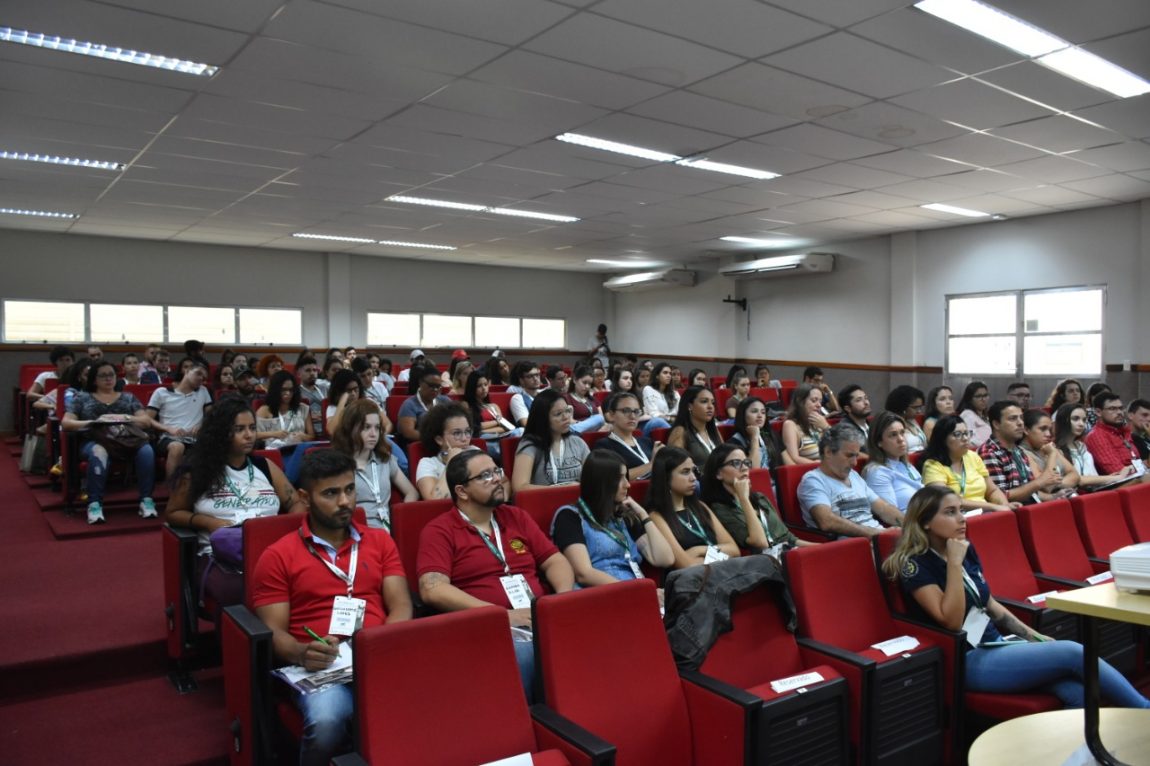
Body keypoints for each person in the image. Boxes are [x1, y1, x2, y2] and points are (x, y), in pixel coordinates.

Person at [883, 485, 1150, 710]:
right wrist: (953, 564)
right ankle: (1144, 710)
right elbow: (951, 622)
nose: (962, 519)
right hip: (966, 659)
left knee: (1076, 692)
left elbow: (989, 604)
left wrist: (1034, 636)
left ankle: (1086, 749)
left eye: (961, 510)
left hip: (996, 644)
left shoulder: (964, 548)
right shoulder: (914, 564)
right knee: (1073, 652)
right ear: (926, 521)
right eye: (950, 512)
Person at [253, 449, 413, 766]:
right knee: (327, 720)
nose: (345, 501)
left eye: (350, 489)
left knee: (438, 697)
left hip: (378, 654)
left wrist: (383, 645)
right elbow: (272, 630)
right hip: (319, 666)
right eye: (331, 493)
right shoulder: (277, 555)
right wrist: (301, 652)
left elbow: (401, 604)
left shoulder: (380, 540)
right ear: (305, 498)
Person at [417, 450, 575, 700]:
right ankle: (533, 717)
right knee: (526, 654)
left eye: (496, 471)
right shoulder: (440, 530)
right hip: (485, 625)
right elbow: (432, 588)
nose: (498, 479)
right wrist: (500, 615)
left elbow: (555, 561)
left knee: (586, 631)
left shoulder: (515, 516)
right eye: (485, 475)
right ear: (462, 491)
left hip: (537, 613)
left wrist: (561, 600)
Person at [165, 397, 300, 610]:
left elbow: (295, 503)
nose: (249, 435)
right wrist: (208, 523)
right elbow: (173, 513)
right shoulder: (198, 470)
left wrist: (287, 530)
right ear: (221, 432)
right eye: (239, 429)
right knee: (239, 589)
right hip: (221, 554)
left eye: (252, 428)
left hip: (270, 549)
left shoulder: (264, 466)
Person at [551, 450, 673, 587]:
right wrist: (637, 592)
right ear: (601, 482)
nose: (628, 484)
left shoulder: (624, 516)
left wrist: (643, 515)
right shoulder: (569, 516)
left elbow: (665, 559)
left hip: (635, 587)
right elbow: (583, 573)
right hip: (601, 593)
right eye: (620, 478)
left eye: (626, 477)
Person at [62, 360, 157, 524]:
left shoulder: (128, 397)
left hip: (126, 440)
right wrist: (95, 422)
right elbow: (66, 423)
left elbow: (146, 421)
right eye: (103, 376)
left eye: (111, 375)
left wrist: (123, 417)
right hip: (94, 441)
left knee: (146, 451)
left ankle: (146, 499)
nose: (108, 379)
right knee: (99, 451)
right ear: (94, 379)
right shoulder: (82, 398)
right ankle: (94, 503)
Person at [701, 443, 814, 557]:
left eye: (746, 462)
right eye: (736, 463)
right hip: (763, 562)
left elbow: (789, 538)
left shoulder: (760, 498)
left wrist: (820, 547)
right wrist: (744, 499)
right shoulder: (719, 509)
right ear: (718, 473)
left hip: (788, 554)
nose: (745, 468)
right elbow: (760, 542)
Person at [797, 423, 904, 538]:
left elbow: (883, 509)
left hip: (879, 538)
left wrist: (911, 525)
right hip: (852, 545)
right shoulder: (813, 480)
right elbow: (827, 521)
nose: (855, 463)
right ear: (828, 452)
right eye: (849, 455)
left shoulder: (853, 475)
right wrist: (878, 534)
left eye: (856, 456)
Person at [646, 447, 740, 569]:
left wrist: (699, 550)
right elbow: (686, 564)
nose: (693, 478)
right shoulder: (657, 516)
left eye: (693, 471)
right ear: (666, 478)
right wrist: (722, 555)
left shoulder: (700, 506)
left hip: (720, 572)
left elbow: (734, 550)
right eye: (685, 472)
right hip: (693, 578)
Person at [331, 399, 418, 530]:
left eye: (377, 428)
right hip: (356, 531)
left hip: (389, 529)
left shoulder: (385, 459)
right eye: (366, 427)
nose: (373, 434)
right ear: (350, 429)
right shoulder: (338, 466)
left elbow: (411, 492)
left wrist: (400, 516)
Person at [921, 415, 1015, 513]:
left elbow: (992, 491)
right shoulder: (932, 465)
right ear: (943, 439)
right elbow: (946, 500)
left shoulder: (972, 456)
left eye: (966, 433)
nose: (965, 438)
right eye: (957, 434)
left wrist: (1005, 506)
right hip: (956, 516)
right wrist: (992, 507)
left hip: (985, 512)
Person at [977, 401, 1063, 505]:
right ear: (996, 424)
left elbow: (1029, 491)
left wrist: (1054, 496)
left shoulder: (1018, 450)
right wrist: (1039, 482)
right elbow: (1000, 496)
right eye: (1013, 418)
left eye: (1021, 418)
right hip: (1012, 511)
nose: (1020, 423)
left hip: (1028, 507)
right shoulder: (989, 452)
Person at [511, 389, 590, 496]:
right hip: (543, 503)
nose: (566, 417)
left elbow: (592, 479)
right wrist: (563, 489)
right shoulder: (530, 444)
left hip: (577, 503)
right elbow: (519, 487)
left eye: (567, 411)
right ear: (543, 418)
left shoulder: (578, 442)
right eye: (558, 414)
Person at [1054, 403, 1137, 489]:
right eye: (1075, 419)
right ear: (1063, 421)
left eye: (1084, 420)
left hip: (1094, 490)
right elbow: (1078, 480)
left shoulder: (1080, 445)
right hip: (1075, 494)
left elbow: (1091, 475)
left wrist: (1111, 477)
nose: (1081, 424)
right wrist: (1116, 477)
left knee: (1139, 480)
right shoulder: (1055, 449)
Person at [147, 359, 212, 467]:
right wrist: (168, 428)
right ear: (187, 371)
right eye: (198, 373)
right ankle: (172, 479)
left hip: (194, 439)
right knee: (177, 447)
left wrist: (202, 426)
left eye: (204, 378)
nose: (201, 378)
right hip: (168, 438)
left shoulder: (203, 391)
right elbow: (147, 419)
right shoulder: (161, 392)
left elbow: (211, 416)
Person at [416, 402, 483, 500]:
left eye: (467, 431)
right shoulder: (428, 464)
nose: (464, 438)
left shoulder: (475, 452)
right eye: (457, 433)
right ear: (439, 439)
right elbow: (434, 500)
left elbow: (501, 484)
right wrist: (451, 462)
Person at [862, 411, 924, 513]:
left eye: (902, 433)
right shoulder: (877, 473)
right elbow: (892, 515)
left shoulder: (905, 464)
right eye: (893, 435)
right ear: (879, 442)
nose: (901, 439)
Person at [1019, 409, 1080, 501]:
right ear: (1026, 430)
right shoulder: (1022, 453)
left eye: (1049, 429)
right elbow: (1047, 487)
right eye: (1043, 429)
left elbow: (1075, 476)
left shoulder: (1049, 447)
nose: (1048, 434)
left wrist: (1057, 485)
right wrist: (1052, 454)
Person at [598, 391, 659, 481]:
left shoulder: (647, 442)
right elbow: (614, 477)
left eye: (636, 411)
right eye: (626, 411)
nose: (633, 416)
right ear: (611, 415)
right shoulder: (604, 446)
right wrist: (652, 464)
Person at [1085, 391, 1147, 477]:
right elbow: (1118, 472)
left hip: (1139, 478)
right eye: (1112, 409)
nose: (1119, 412)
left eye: (1121, 408)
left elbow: (1143, 464)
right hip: (1123, 482)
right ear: (1098, 412)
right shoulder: (1096, 436)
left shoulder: (1124, 431)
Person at [463, 368, 521, 454]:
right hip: (483, 440)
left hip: (500, 437)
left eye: (485, 385)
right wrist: (497, 422)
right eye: (479, 386)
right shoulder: (466, 405)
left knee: (520, 431)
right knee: (500, 448)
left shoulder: (494, 406)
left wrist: (483, 429)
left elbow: (504, 427)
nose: (484, 388)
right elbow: (473, 427)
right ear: (472, 387)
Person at [255, 370, 315, 450]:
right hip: (273, 452)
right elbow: (253, 435)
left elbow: (311, 436)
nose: (288, 393)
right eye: (283, 390)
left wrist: (302, 436)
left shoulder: (302, 408)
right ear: (275, 390)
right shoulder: (264, 410)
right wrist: (274, 434)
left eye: (291, 390)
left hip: (298, 450)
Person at [666, 385, 721, 467]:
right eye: (704, 401)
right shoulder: (680, 431)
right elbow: (676, 467)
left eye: (713, 403)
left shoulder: (713, 430)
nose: (710, 406)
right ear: (689, 406)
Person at [396, 364, 451, 444]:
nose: (435, 389)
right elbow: (409, 433)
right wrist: (436, 439)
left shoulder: (445, 401)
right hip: (421, 444)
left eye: (438, 386)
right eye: (431, 386)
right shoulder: (409, 404)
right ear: (421, 382)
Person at [729, 396, 782, 471]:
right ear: (742, 415)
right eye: (754, 411)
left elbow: (787, 463)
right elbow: (753, 471)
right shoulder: (734, 442)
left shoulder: (771, 435)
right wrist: (754, 437)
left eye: (763, 412)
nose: (760, 416)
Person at [781, 383, 829, 465]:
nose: (819, 405)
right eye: (814, 400)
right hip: (812, 470)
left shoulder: (820, 422)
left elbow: (839, 449)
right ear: (800, 402)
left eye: (820, 401)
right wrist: (818, 465)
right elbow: (794, 458)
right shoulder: (790, 425)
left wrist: (827, 428)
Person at [564, 364, 606, 433]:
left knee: (600, 419)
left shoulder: (593, 399)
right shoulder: (566, 399)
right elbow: (570, 421)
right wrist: (587, 425)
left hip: (594, 433)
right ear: (575, 380)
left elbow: (602, 420)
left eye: (589, 384)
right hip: (577, 432)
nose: (587, 386)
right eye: (584, 382)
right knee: (598, 418)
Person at [885, 385, 927, 454]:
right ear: (902, 406)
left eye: (920, 407)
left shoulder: (912, 420)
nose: (919, 411)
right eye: (915, 408)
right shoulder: (890, 424)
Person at [642, 363, 681, 435]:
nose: (669, 375)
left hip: (672, 423)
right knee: (658, 421)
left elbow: (679, 412)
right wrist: (670, 418)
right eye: (665, 373)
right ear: (657, 376)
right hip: (654, 423)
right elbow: (653, 414)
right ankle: (675, 436)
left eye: (670, 373)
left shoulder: (675, 393)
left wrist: (669, 417)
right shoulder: (648, 389)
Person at [323, 369, 362, 436]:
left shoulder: (367, 402)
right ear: (339, 392)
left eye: (356, 389)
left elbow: (383, 423)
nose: (353, 394)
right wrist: (342, 400)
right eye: (349, 390)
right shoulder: (333, 408)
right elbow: (332, 430)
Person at [957, 381, 993, 448]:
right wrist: (988, 446)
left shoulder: (984, 415)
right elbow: (968, 440)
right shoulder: (968, 415)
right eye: (979, 396)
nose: (983, 399)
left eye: (985, 395)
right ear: (970, 399)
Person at [295, 355, 325, 435]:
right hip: (306, 433)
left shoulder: (325, 389)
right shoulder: (295, 393)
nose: (312, 373)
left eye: (314, 370)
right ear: (299, 374)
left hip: (326, 431)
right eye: (308, 370)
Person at [837, 384, 873, 451]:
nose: (866, 403)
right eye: (859, 400)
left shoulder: (873, 424)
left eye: (866, 398)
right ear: (848, 408)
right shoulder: (845, 429)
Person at [508, 361, 544, 427]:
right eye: (530, 376)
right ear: (522, 381)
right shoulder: (518, 398)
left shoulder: (545, 394)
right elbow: (527, 424)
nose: (535, 379)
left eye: (537, 375)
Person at [1129, 399, 1150, 465]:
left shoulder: (1146, 437)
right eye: (1144, 415)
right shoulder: (1127, 439)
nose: (1149, 419)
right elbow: (1147, 465)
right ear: (1131, 416)